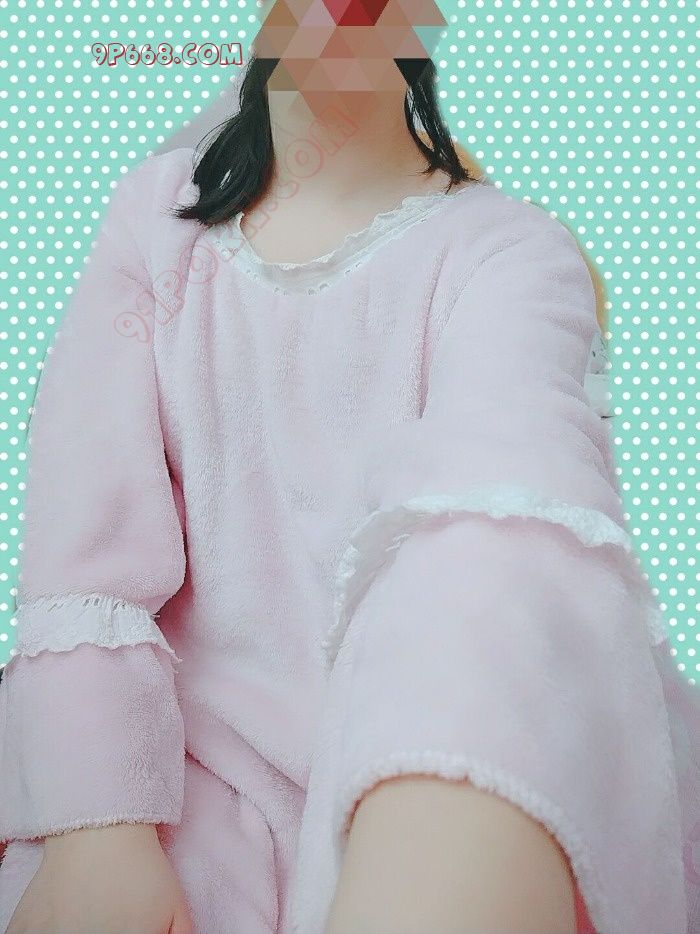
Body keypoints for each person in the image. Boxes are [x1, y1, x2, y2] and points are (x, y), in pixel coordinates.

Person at [0, 9, 698, 932]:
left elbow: (507, 508)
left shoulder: (509, 252)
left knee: (501, 557)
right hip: (177, 789)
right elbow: (84, 542)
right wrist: (101, 831)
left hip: (436, 751)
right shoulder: (157, 224)